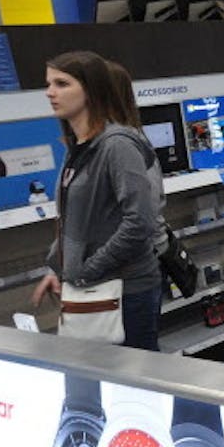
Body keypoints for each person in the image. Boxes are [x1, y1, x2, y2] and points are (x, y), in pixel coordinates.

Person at [32, 52, 166, 352]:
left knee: (135, 384)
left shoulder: (117, 145)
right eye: (49, 83)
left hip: (124, 291)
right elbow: (75, 221)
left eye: (62, 83)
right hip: (92, 290)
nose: (50, 92)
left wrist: (83, 271)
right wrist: (59, 267)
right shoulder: (79, 148)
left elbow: (139, 222)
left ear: (90, 89)